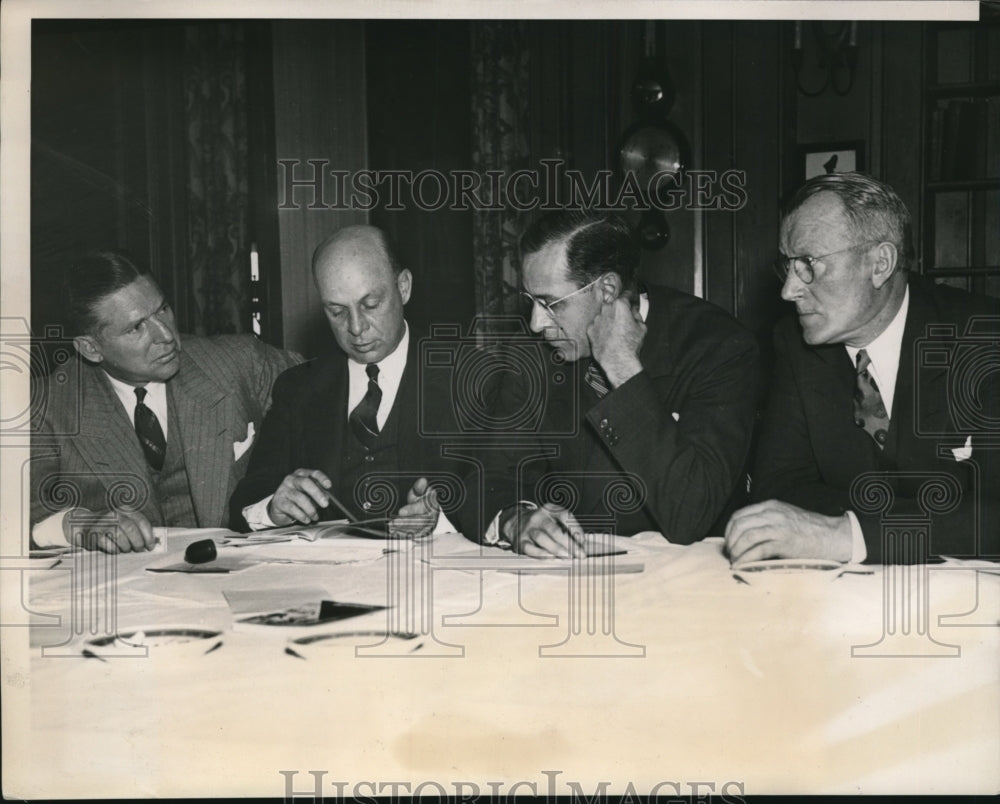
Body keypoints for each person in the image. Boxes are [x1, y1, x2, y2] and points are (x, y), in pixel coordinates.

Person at [726, 172, 999, 565]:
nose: (788, 290)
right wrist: (938, 519)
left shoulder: (985, 339)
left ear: (880, 263)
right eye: (787, 265)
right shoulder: (795, 342)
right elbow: (780, 488)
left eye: (808, 264)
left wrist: (849, 536)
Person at [482, 210, 761, 557]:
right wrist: (516, 518)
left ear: (607, 290)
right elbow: (490, 476)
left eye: (551, 304)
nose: (537, 323)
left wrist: (623, 369)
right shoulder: (531, 353)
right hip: (565, 578)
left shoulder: (718, 347)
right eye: (532, 302)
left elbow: (691, 513)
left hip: (687, 582)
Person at [30, 250, 301, 553]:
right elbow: (17, 516)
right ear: (91, 349)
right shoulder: (47, 406)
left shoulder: (242, 364)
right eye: (136, 327)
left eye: (163, 310)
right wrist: (78, 526)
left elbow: (336, 391)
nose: (166, 335)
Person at [229, 225, 463, 535]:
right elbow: (246, 502)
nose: (355, 327)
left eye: (370, 304)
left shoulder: (466, 378)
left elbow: (504, 493)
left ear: (403, 287)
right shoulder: (297, 388)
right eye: (337, 311)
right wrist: (274, 507)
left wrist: (444, 520)